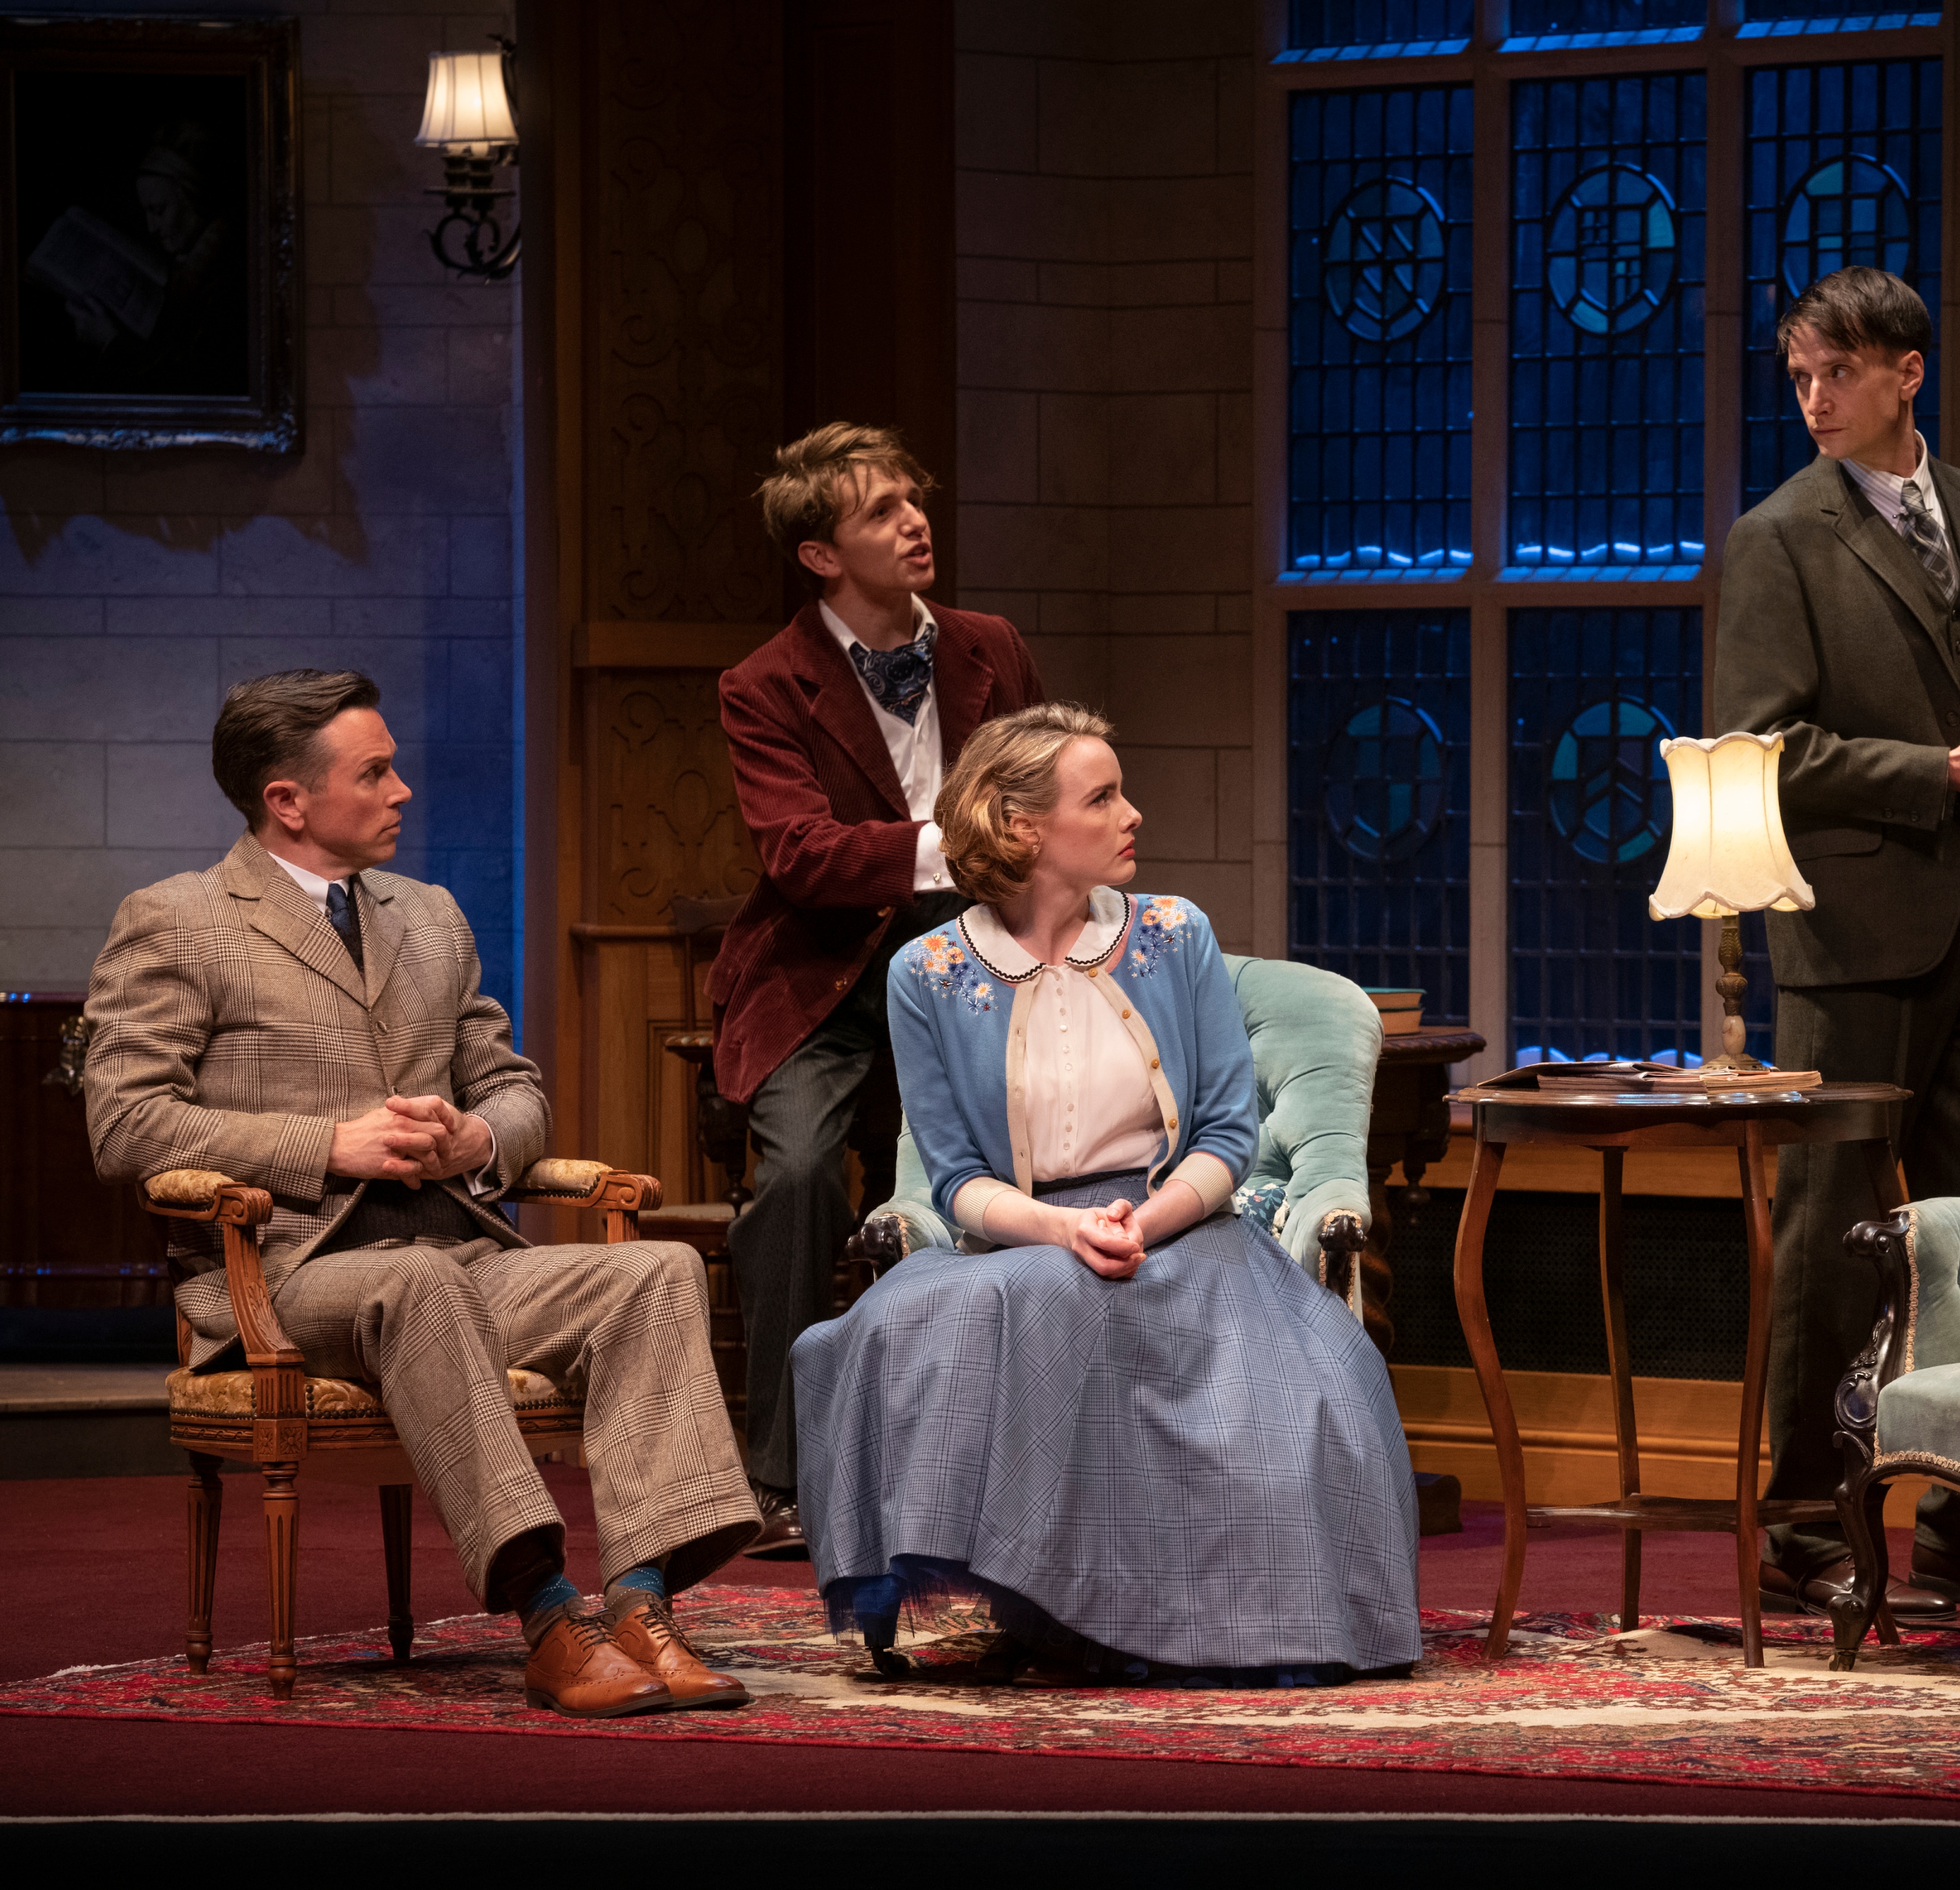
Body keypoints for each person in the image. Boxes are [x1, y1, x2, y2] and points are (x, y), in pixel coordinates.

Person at [85, 670, 759, 1718]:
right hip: (289, 1275)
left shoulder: (430, 916)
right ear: (287, 800)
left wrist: (477, 1137)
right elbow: (126, 1124)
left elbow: (513, 1087)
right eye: (376, 772)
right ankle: (549, 1613)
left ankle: (640, 1602)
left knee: (655, 1269)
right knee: (416, 1286)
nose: (402, 790)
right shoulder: (178, 921)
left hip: (457, 1253)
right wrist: (330, 1145)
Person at [790, 704, 1421, 1684]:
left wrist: (1140, 1221)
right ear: (1022, 827)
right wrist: (1061, 1226)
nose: (1133, 813)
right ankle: (1040, 1597)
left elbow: (1227, 1135)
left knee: (1309, 1392)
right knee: (886, 1330)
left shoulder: (1175, 934)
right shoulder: (928, 972)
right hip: (1023, 1234)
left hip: (1183, 1228)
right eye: (1103, 797)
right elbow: (954, 1175)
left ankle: (1177, 1621)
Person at [1713, 266, 1960, 1624]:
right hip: (1850, 940)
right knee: (1836, 1244)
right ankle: (1800, 1526)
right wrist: (1938, 772)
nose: (1814, 398)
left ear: (1907, 373)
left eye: (1836, 372)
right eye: (1798, 376)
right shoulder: (1779, 537)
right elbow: (1763, 749)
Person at [714, 424, 1045, 1555]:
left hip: (979, 961)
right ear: (821, 555)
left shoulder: (991, 647)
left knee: (1030, 1167)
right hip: (828, 972)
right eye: (880, 512)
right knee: (798, 1174)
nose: (915, 522)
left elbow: (1052, 794)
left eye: (914, 498)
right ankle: (782, 1473)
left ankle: (1009, 1463)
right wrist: (964, 844)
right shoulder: (764, 683)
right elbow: (800, 855)